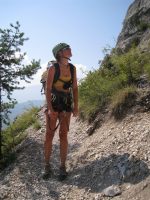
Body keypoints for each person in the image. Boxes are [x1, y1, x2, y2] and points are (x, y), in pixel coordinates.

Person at [43, 43, 78, 180]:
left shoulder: (73, 69)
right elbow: (48, 89)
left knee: (63, 135)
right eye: (66, 49)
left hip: (66, 105)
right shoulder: (53, 68)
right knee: (49, 136)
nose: (70, 49)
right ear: (59, 53)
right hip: (53, 103)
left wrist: (76, 107)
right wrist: (50, 109)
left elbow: (74, 88)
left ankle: (62, 167)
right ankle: (46, 166)